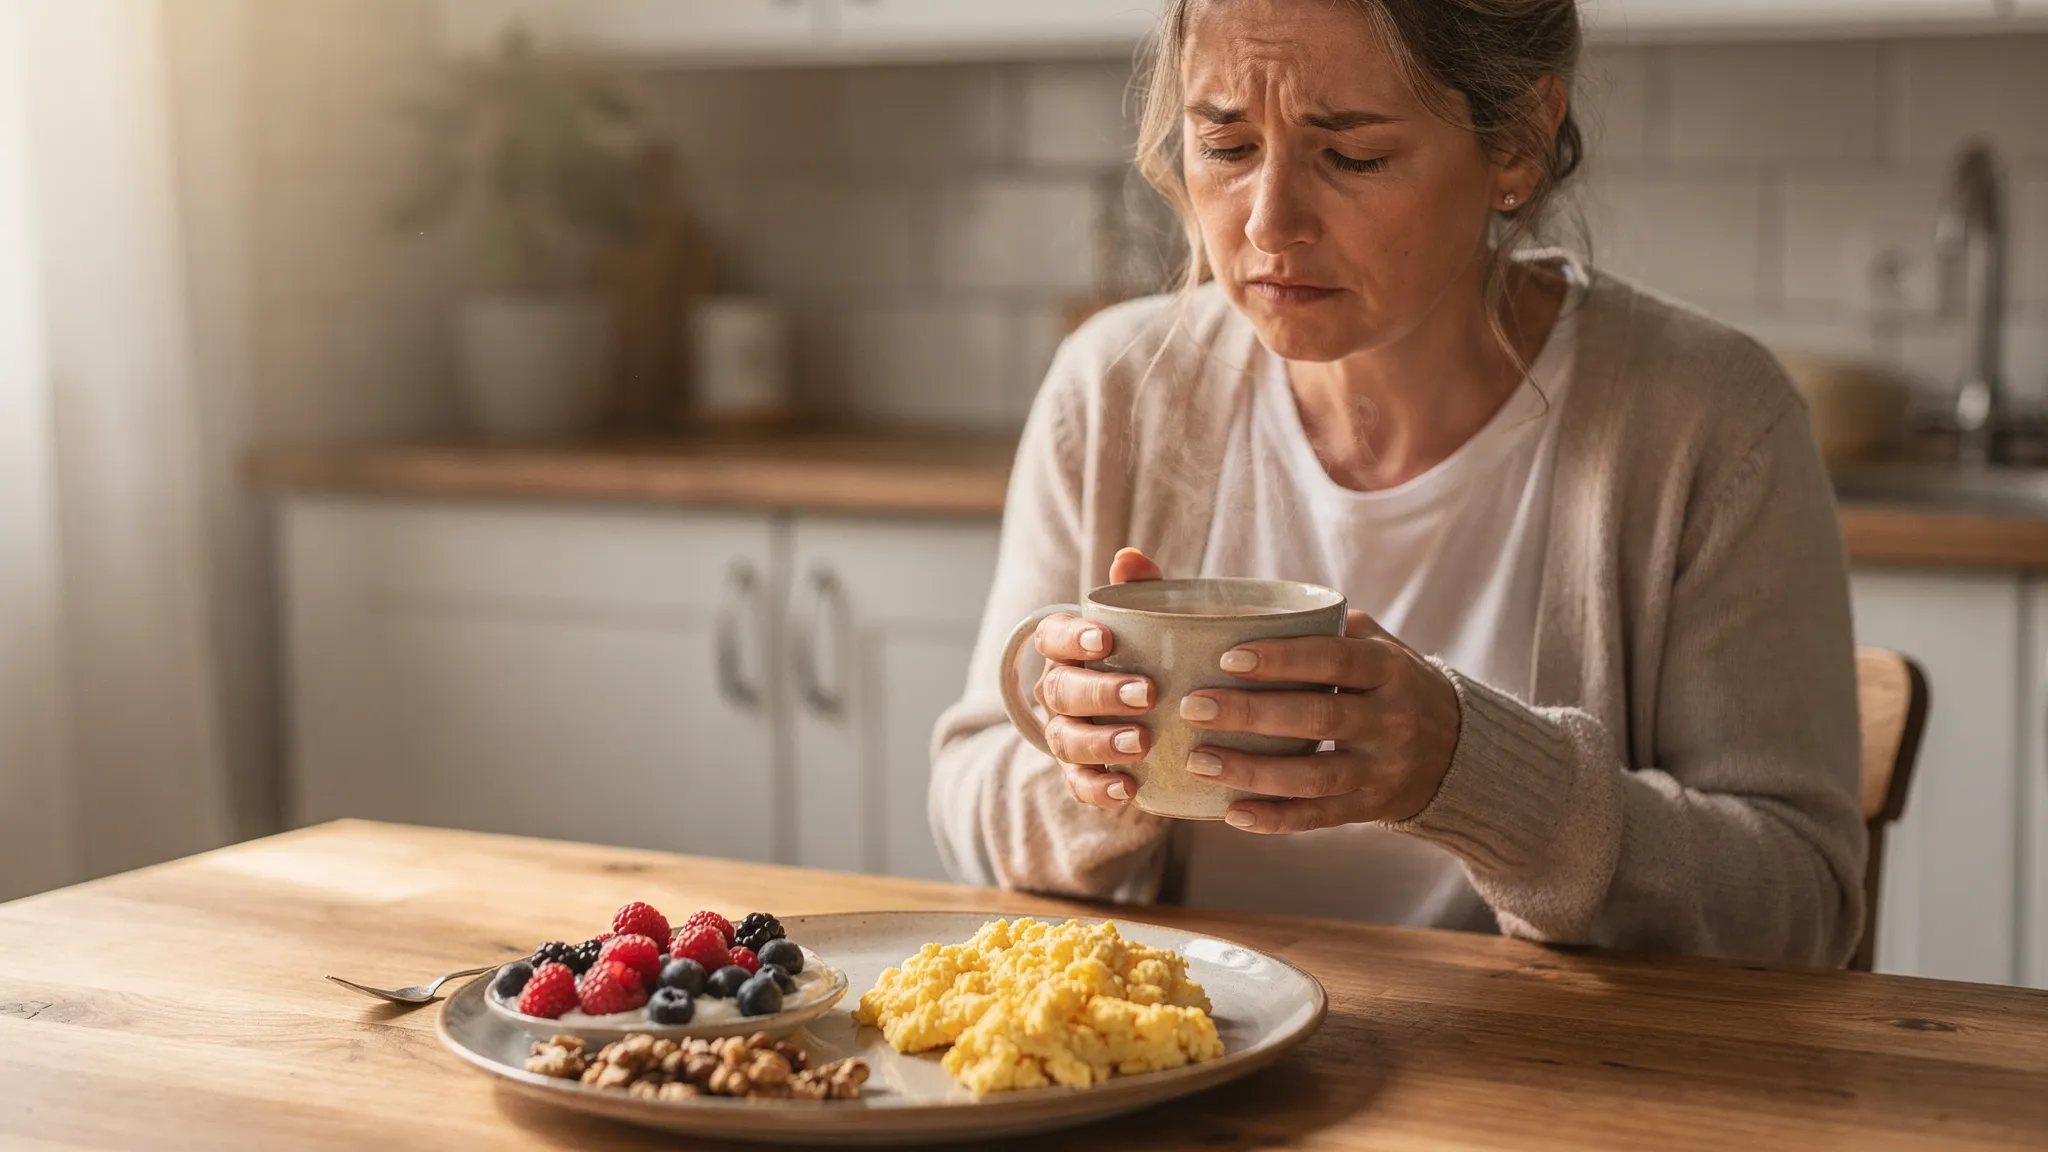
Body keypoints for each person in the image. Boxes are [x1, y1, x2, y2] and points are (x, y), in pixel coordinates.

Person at [927, 0, 1865, 967]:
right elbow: (968, 798)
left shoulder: (1708, 419)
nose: (1268, 222)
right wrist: (1097, 771)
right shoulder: (1117, 387)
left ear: (1518, 143)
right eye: (1227, 144)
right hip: (1196, 1077)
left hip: (1543, 1093)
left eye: (1354, 157)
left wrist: (1472, 771)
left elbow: (1800, 906)